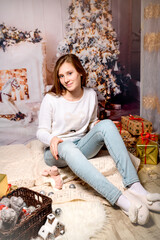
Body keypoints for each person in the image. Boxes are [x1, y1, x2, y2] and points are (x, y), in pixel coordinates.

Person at [37, 54, 160, 225]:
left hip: (81, 146)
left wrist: (98, 125)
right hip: (57, 151)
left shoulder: (90, 95)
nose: (65, 79)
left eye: (69, 73)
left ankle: (136, 187)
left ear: (80, 72)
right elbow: (41, 131)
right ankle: (122, 201)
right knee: (68, 147)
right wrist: (52, 139)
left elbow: (91, 122)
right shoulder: (51, 99)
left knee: (107, 124)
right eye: (61, 75)